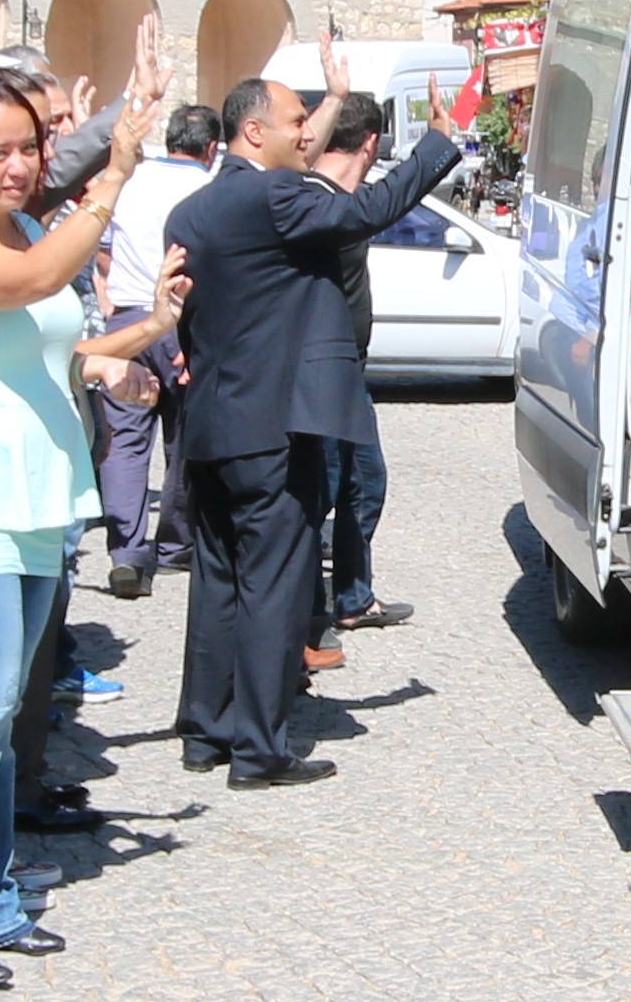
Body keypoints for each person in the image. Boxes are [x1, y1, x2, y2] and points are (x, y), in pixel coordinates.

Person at [0, 50, 173, 985]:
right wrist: (117, 163)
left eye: (31, 148)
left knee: (4, 713)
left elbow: (50, 339)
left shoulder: (14, 229)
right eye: (0, 151)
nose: (20, 166)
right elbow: (31, 282)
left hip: (31, 496)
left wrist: (128, 347)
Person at [161, 75, 464, 787]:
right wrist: (438, 145)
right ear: (254, 131)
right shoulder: (276, 197)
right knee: (275, 583)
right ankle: (260, 751)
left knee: (217, 581)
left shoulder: (191, 211)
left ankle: (206, 731)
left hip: (210, 422)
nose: (308, 134)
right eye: (297, 121)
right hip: (273, 425)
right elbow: (367, 210)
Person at [306, 90, 414, 647]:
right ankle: (306, 617)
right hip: (323, 373)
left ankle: (350, 596)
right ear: (371, 143)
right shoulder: (322, 202)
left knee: (360, 482)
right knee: (324, 490)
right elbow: (395, 197)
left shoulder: (340, 196)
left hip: (349, 369)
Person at [95, 100, 215, 597]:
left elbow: (101, 249)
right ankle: (174, 544)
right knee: (185, 437)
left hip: (127, 318)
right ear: (211, 148)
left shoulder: (130, 181)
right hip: (185, 319)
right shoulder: (209, 188)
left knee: (123, 439)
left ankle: (126, 552)